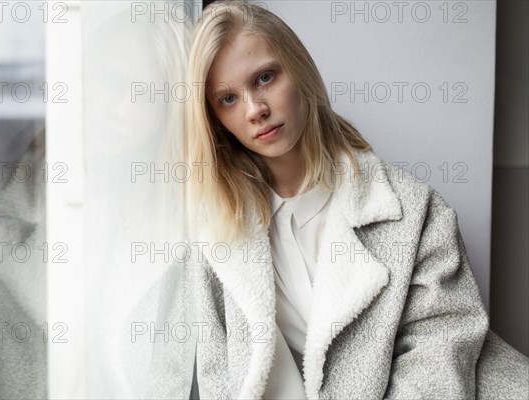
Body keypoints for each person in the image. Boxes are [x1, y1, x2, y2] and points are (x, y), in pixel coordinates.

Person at [184, 1, 528, 399]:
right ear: (214, 120)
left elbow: (439, 358)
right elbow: (219, 375)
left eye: (264, 77)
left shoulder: (412, 210)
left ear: (299, 70)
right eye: (227, 99)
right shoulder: (217, 232)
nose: (255, 109)